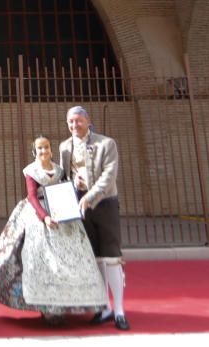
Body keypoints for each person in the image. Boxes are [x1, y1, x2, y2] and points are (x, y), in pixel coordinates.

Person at [0, 135, 108, 323]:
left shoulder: (59, 171)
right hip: (39, 214)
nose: (44, 151)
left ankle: (68, 303)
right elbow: (32, 197)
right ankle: (48, 309)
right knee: (40, 259)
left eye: (46, 148)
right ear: (35, 152)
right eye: (40, 148)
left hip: (61, 213)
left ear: (51, 150)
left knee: (70, 260)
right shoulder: (31, 171)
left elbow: (65, 191)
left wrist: (76, 192)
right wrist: (44, 217)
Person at [59, 105, 130, 330]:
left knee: (111, 256)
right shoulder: (64, 147)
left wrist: (89, 196)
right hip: (80, 207)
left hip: (104, 204)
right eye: (70, 122)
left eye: (78, 121)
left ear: (88, 121)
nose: (74, 125)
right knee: (95, 257)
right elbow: (64, 176)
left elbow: (108, 176)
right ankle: (104, 306)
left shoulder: (106, 144)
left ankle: (119, 310)